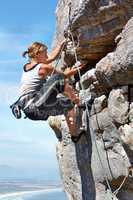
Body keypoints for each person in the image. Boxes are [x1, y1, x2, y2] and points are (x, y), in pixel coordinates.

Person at [11, 40, 86, 141]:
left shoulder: (27, 66)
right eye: (45, 53)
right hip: (35, 105)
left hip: (33, 111)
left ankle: (75, 135)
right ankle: (79, 102)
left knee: (68, 105)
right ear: (38, 54)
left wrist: (61, 44)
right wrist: (77, 69)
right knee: (58, 78)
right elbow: (63, 76)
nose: (47, 56)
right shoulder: (43, 68)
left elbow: (51, 58)